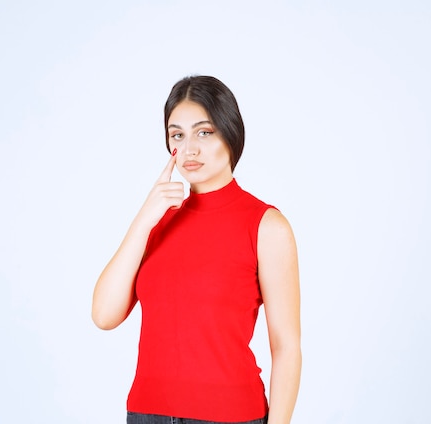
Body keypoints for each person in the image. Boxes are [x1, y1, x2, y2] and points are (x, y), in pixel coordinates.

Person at [92, 75, 301, 424]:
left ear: (230, 133)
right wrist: (144, 218)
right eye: (178, 135)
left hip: (229, 416)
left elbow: (287, 346)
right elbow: (104, 315)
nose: (189, 149)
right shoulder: (157, 222)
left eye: (204, 132)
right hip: (147, 414)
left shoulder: (266, 226)